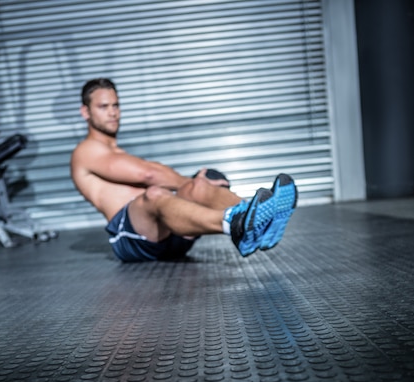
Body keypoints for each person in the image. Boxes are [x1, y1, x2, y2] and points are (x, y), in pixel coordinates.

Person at [70, 78, 298, 262]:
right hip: (132, 240)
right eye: (103, 107)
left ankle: (254, 218)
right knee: (156, 193)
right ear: (85, 112)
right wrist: (185, 184)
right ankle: (235, 225)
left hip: (167, 232)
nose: (112, 113)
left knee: (199, 185)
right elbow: (147, 174)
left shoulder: (117, 151)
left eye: (116, 105)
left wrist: (198, 185)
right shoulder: (86, 151)